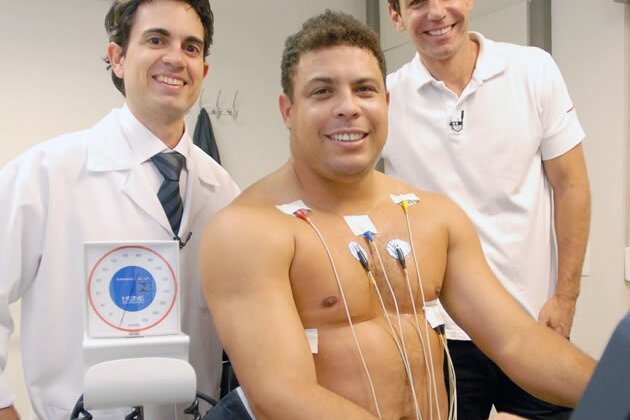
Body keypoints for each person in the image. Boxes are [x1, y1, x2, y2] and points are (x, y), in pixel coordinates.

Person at [199, 10, 595, 420]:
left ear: (386, 103)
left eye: (364, 90)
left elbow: (517, 342)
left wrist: (617, 386)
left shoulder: (433, 219)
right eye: (322, 91)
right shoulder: (247, 231)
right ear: (287, 110)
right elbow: (282, 395)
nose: (348, 107)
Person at [0, 1, 239, 419]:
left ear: (203, 70)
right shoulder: (44, 174)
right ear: (118, 58)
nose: (175, 58)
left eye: (191, 47)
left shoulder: (223, 191)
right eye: (156, 40)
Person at [383, 1, 591, 418]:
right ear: (396, 16)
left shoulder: (532, 70)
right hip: (440, 335)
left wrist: (565, 297)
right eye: (417, 2)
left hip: (533, 322)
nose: (436, 12)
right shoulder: (385, 98)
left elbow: (571, 186)